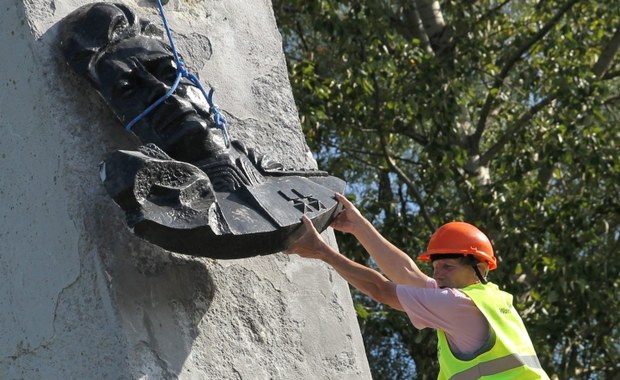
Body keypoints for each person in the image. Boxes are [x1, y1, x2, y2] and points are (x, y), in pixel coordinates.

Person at [286, 193, 549, 379]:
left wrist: (324, 252)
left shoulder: (457, 304)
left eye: (448, 267)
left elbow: (382, 290)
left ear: (479, 268)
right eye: (435, 267)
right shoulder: (487, 299)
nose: (438, 274)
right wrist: (358, 226)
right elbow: (407, 272)